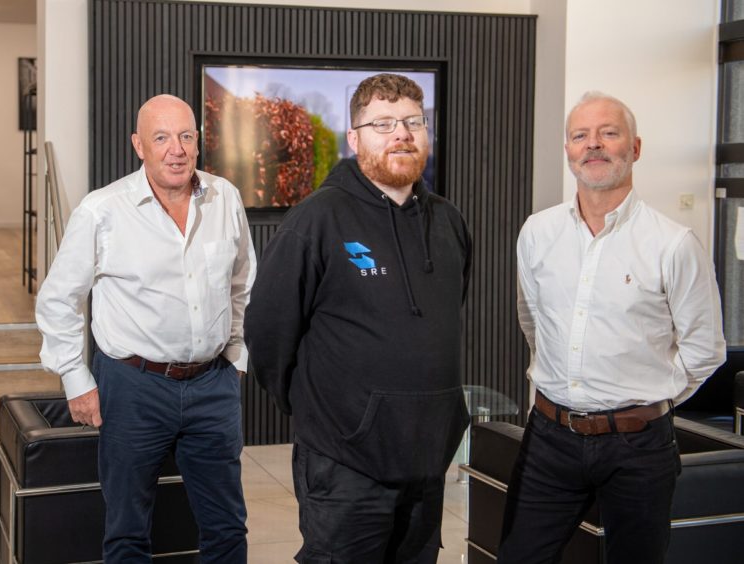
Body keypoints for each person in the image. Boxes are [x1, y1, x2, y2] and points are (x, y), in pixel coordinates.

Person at [244, 73, 472, 563]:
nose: (402, 134)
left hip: (428, 460)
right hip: (345, 465)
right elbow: (267, 333)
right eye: (383, 123)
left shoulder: (449, 221)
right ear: (355, 138)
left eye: (413, 121)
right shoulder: (316, 219)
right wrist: (324, 413)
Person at [498, 92, 727, 564]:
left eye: (609, 133)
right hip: (549, 437)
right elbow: (533, 320)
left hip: (639, 447)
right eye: (580, 135)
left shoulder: (673, 244)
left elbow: (705, 349)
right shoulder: (538, 232)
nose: (593, 145)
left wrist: (645, 401)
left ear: (635, 148)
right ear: (568, 150)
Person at [35, 94, 255, 563]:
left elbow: (242, 285)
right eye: (161, 138)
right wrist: (76, 379)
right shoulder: (102, 210)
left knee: (227, 528)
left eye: (185, 136)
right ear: (139, 145)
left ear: (198, 141)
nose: (176, 149)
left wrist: (237, 359)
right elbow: (58, 300)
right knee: (128, 531)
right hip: (133, 386)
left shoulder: (224, 198)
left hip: (213, 384)